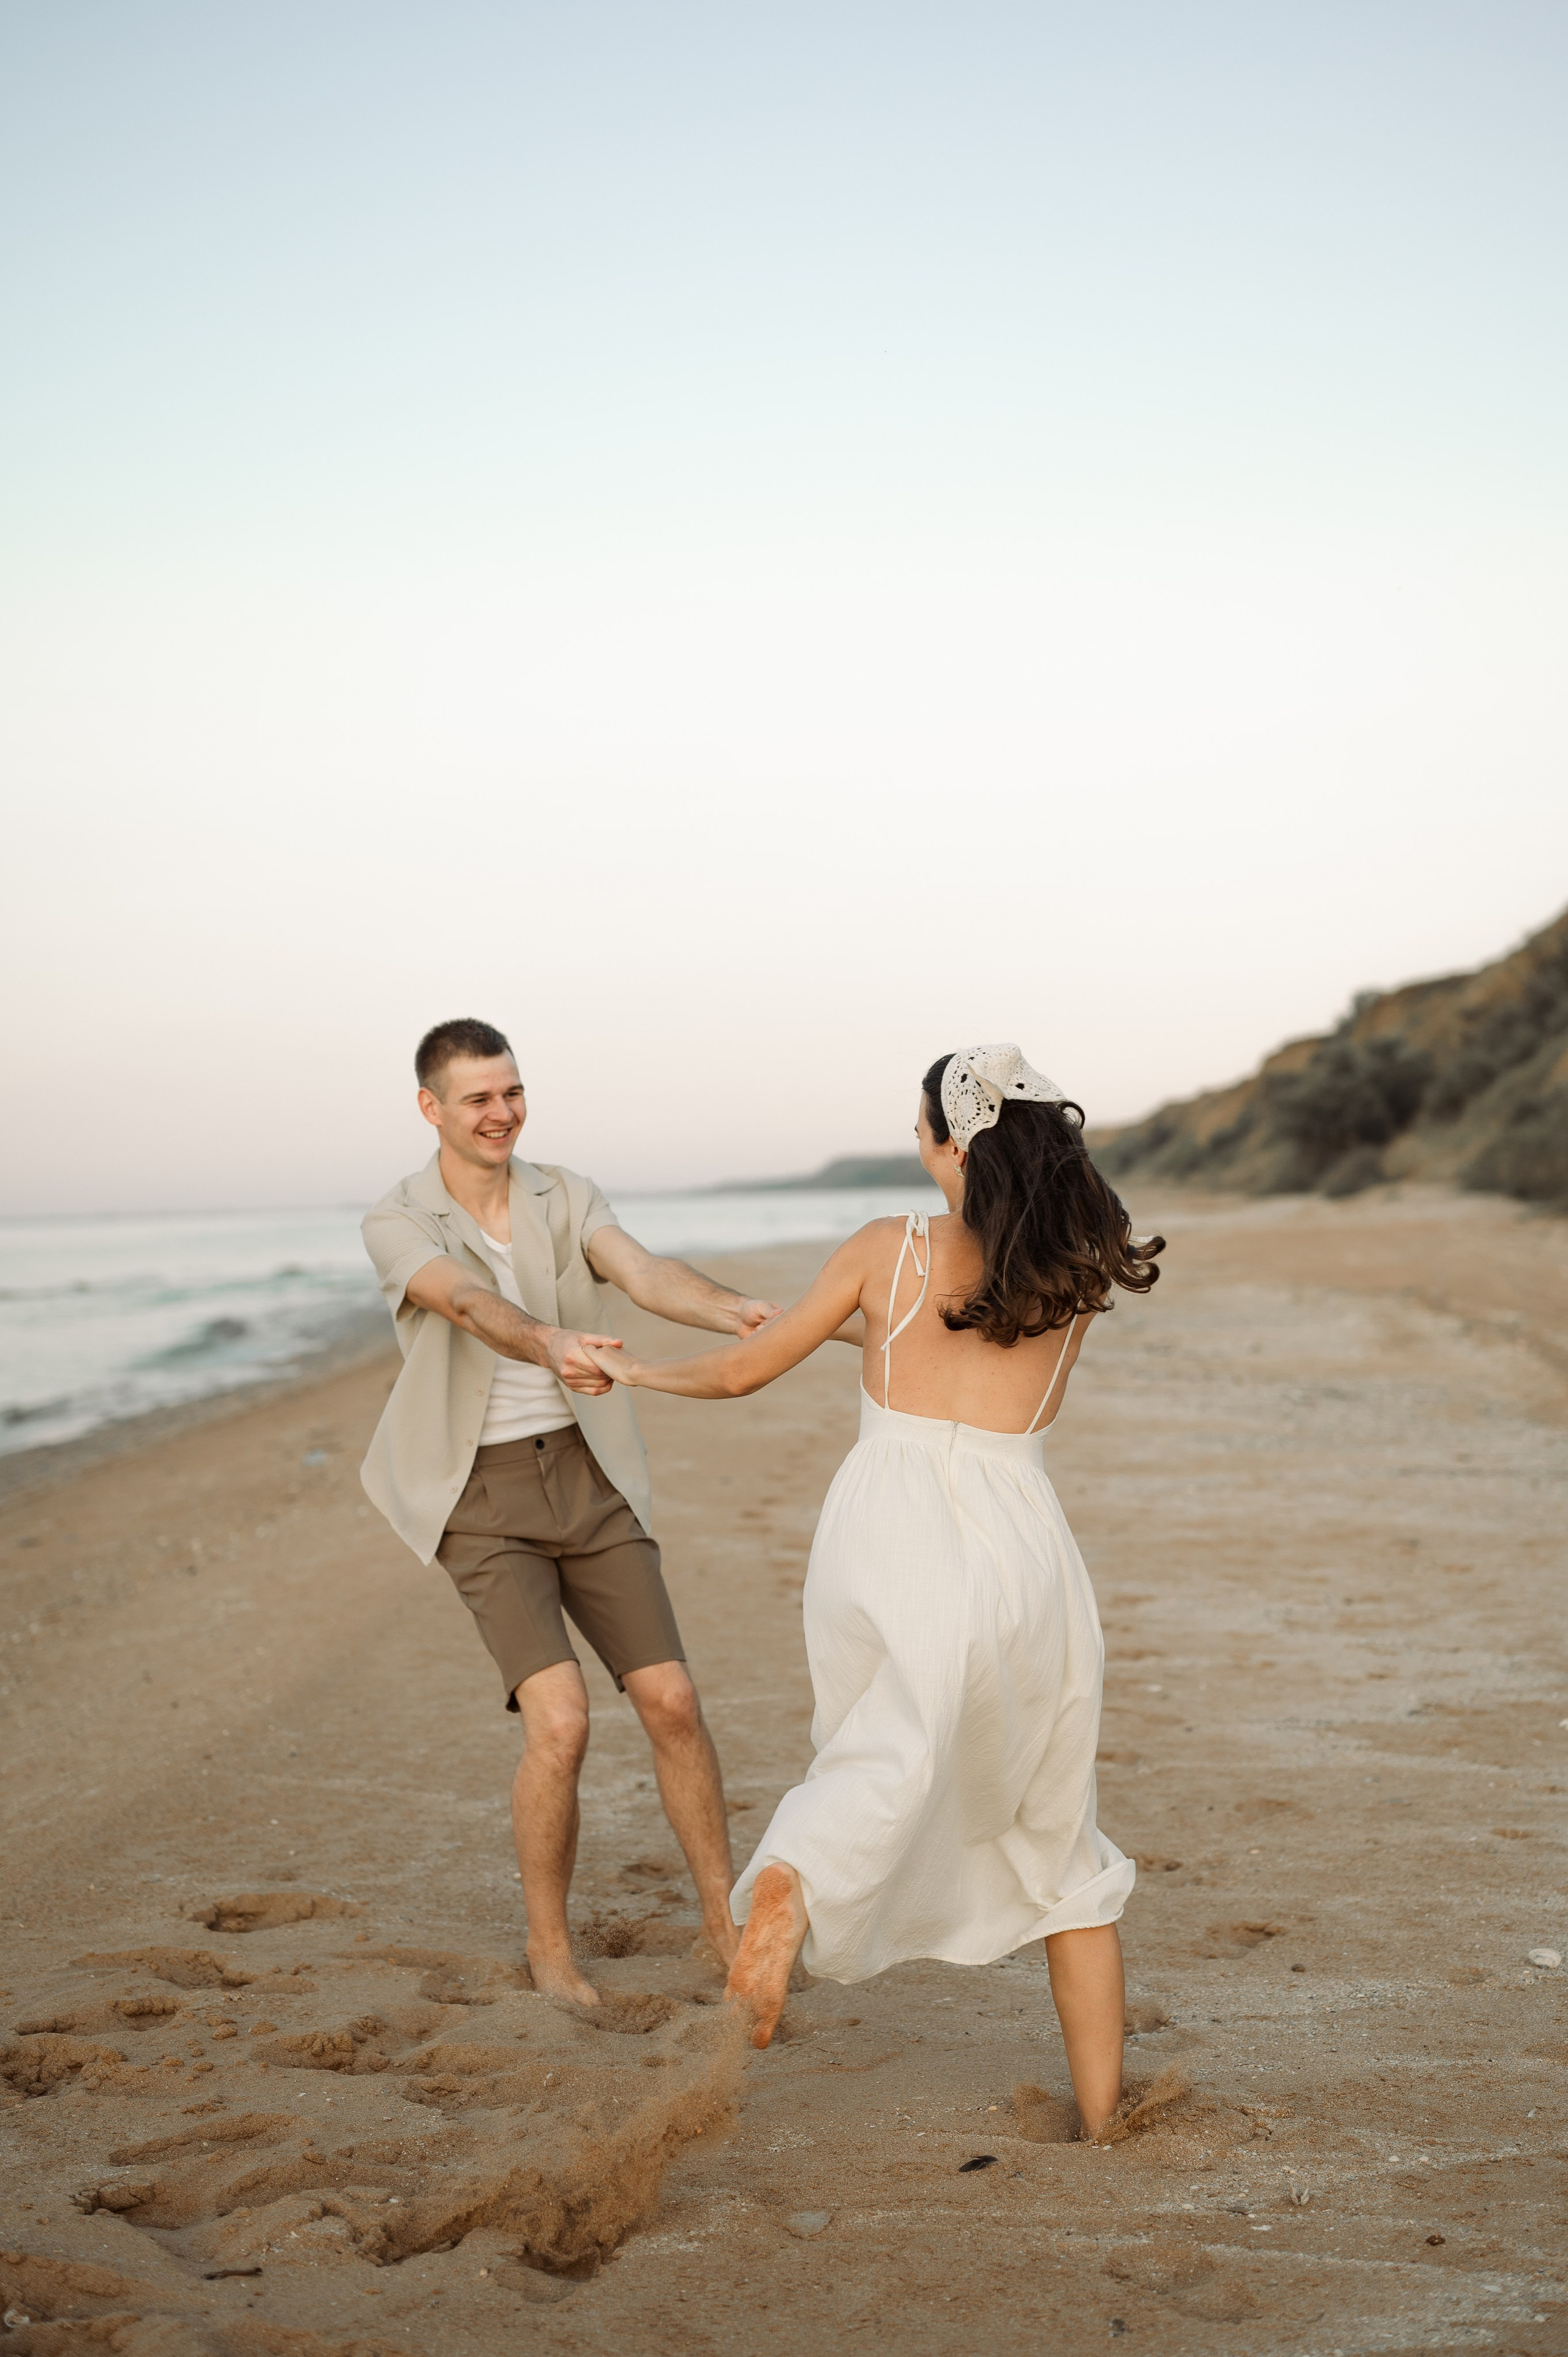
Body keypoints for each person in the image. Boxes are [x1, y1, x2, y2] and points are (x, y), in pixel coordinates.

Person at [587, 1044, 1164, 2137]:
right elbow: (965, 1332)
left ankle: (794, 1880)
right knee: (1057, 1830)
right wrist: (832, 1318)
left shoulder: (883, 1251)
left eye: (919, 1128)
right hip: (1022, 1544)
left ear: (948, 1144)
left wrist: (638, 1370)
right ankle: (1102, 2121)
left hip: (891, 1531)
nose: (916, 1143)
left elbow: (750, 1371)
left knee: (885, 1742)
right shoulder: (1075, 1270)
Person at [358, 1017, 781, 2005]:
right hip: (481, 1495)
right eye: (477, 1098)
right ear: (432, 1108)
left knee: (672, 1700)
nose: (501, 1112)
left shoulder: (565, 1192)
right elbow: (467, 1305)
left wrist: (736, 1311)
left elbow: (641, 1273)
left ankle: (724, 1926)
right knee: (562, 1724)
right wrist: (549, 1342)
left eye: (511, 1090)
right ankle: (551, 1950)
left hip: (590, 1479)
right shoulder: (397, 1218)